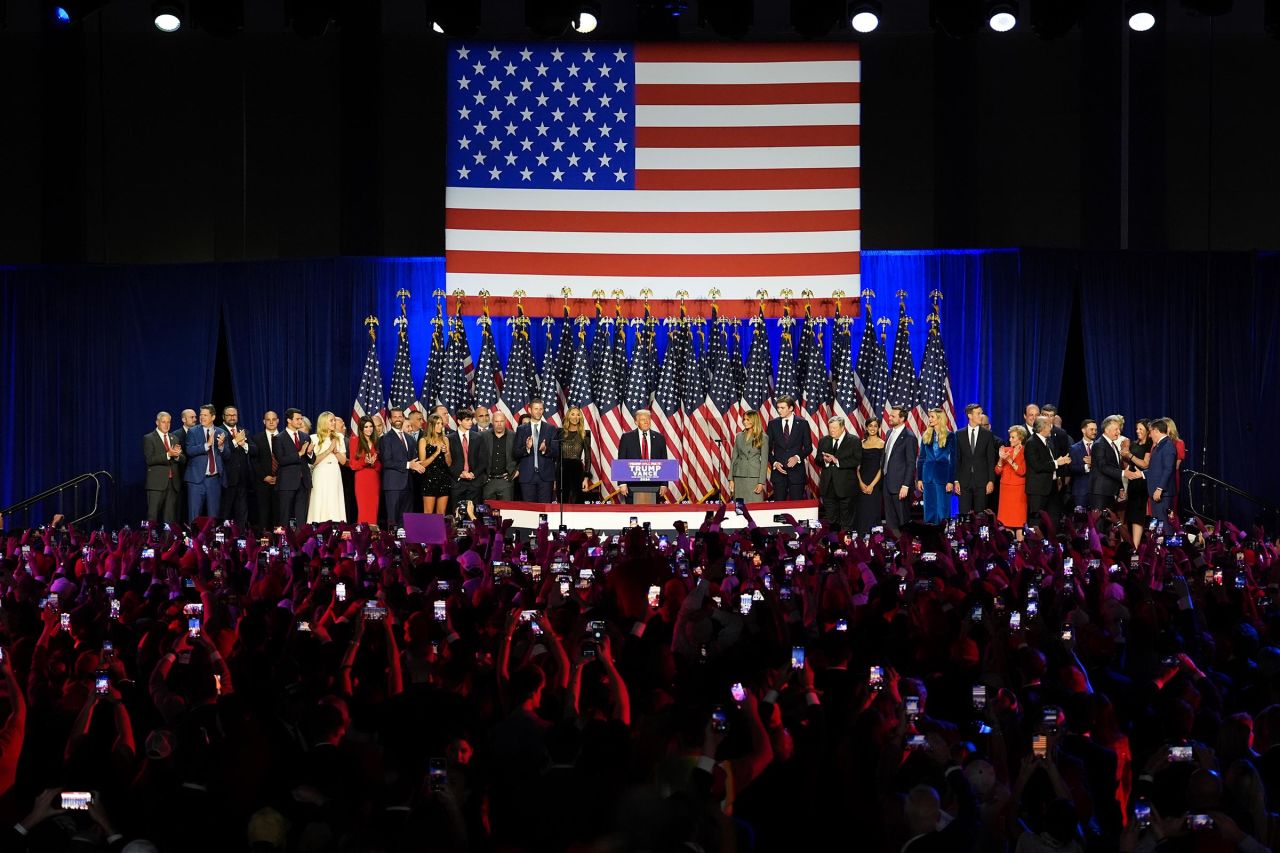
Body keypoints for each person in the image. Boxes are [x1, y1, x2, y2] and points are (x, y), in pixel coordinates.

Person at [377, 408, 423, 528]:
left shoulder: (410, 439)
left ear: (403, 418)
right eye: (395, 417)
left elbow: (414, 459)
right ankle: (392, 544)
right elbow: (387, 462)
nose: (398, 419)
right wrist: (408, 465)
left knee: (406, 521)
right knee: (393, 521)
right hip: (393, 485)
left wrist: (416, 466)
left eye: (400, 416)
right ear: (390, 419)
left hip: (408, 485)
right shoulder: (385, 439)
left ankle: (406, 546)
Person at [184, 404, 229, 522]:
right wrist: (206, 445)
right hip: (196, 481)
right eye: (201, 415)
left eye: (205, 415)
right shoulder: (192, 432)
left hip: (214, 480)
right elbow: (189, 451)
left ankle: (211, 540)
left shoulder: (221, 432)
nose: (202, 417)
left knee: (213, 516)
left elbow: (227, 455)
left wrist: (221, 447)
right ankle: (194, 539)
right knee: (194, 516)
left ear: (213, 417)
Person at [272, 408, 315, 525]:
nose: (300, 421)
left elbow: (312, 459)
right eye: (297, 419)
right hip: (287, 482)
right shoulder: (278, 438)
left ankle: (300, 541)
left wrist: (310, 452)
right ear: (289, 420)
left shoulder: (305, 436)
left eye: (301, 419)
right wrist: (300, 453)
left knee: (301, 516)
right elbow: (281, 460)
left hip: (303, 482)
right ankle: (284, 541)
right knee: (284, 516)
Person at [1024, 415, 1070, 522]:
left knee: (1053, 519)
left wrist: (1058, 473)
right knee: (1037, 520)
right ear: (1042, 428)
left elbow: (1050, 460)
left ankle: (1051, 539)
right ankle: (1034, 539)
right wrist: (1057, 463)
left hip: (1052, 486)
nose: (1051, 428)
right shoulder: (1031, 443)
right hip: (1038, 489)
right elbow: (1037, 466)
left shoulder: (1048, 441)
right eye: (1049, 426)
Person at [616, 409, 668, 504]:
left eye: (648, 419)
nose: (646, 421)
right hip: (632, 485)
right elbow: (621, 460)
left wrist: (664, 484)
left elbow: (664, 461)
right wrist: (622, 483)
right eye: (643, 419)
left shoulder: (660, 438)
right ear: (636, 422)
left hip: (654, 485)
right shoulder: (627, 438)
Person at [881, 405, 918, 535]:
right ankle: (893, 546)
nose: (889, 417)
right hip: (887, 481)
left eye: (893, 416)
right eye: (890, 415)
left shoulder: (909, 436)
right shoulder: (889, 432)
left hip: (900, 485)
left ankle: (905, 548)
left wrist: (906, 485)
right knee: (890, 520)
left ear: (902, 418)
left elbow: (911, 463)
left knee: (902, 519)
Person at [954, 403, 997, 516]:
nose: (981, 416)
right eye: (978, 413)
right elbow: (956, 459)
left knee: (981, 516)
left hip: (982, 481)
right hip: (964, 481)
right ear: (970, 415)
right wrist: (956, 480)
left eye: (981, 413)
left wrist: (991, 481)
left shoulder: (987, 435)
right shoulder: (959, 434)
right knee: (963, 514)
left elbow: (991, 459)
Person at [766, 396, 812, 501]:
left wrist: (797, 457)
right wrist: (775, 463)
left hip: (796, 473)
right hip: (778, 473)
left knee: (796, 507)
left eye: (782, 408)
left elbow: (808, 448)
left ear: (791, 408)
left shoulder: (802, 423)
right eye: (778, 407)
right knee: (779, 507)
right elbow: (767, 449)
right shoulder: (773, 424)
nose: (779, 410)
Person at [817, 416, 859, 528]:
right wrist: (825, 461)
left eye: (834, 428)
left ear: (842, 428)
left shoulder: (854, 441)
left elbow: (857, 460)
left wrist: (837, 461)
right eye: (830, 428)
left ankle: (846, 543)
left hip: (845, 487)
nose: (831, 430)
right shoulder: (824, 441)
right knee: (831, 520)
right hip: (828, 487)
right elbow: (817, 460)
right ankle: (833, 542)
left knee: (846, 521)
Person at [916, 407, 956, 525]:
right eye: (929, 417)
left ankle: (943, 536)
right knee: (929, 508)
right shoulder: (926, 435)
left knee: (942, 509)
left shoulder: (950, 436)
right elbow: (921, 458)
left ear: (940, 419)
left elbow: (953, 460)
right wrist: (919, 478)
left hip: (943, 477)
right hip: (927, 477)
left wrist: (950, 481)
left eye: (932, 417)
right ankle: (930, 535)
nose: (930, 419)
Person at [514, 399, 558, 503]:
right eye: (536, 409)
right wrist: (527, 448)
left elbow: (556, 452)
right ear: (529, 410)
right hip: (527, 477)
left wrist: (545, 450)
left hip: (546, 477)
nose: (538, 411)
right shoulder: (521, 429)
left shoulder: (550, 428)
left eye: (541, 409)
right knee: (529, 511)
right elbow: (515, 452)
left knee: (544, 512)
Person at [306, 412, 347, 524]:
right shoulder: (313, 438)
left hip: (334, 472)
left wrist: (336, 451)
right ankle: (317, 526)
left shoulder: (339, 437)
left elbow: (343, 461)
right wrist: (329, 450)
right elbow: (313, 462)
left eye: (334, 420)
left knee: (334, 500)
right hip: (320, 473)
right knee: (320, 500)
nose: (334, 422)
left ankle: (336, 526)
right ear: (323, 422)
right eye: (331, 420)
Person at [219, 406, 256, 528]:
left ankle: (241, 540)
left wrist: (243, 444)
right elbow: (221, 452)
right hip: (226, 480)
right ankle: (223, 541)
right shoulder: (219, 431)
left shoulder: (243, 431)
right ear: (224, 417)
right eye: (229, 415)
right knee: (225, 511)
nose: (232, 417)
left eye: (234, 415)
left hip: (242, 478)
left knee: (242, 511)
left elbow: (255, 450)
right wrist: (235, 442)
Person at [143, 411, 183, 524]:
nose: (166, 425)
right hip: (156, 484)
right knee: (152, 517)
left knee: (169, 519)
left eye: (168, 422)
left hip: (172, 484)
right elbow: (150, 460)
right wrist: (168, 455)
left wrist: (177, 456)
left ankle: (168, 542)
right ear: (157, 423)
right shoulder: (149, 438)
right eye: (163, 422)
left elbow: (183, 458)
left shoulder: (174, 438)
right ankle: (150, 541)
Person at [1122, 419, 1152, 546]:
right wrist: (1124, 453)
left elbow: (1145, 464)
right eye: (1136, 428)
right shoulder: (1134, 444)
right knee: (1129, 515)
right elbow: (1127, 464)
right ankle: (1126, 546)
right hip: (1132, 482)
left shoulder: (1149, 445)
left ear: (1147, 430)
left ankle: (1135, 546)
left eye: (1140, 429)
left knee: (1138, 516)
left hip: (1142, 483)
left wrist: (1130, 456)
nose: (1137, 431)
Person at [729, 410, 769, 504]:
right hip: (739, 476)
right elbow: (734, 458)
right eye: (744, 419)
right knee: (739, 508)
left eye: (748, 419)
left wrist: (761, 482)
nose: (745, 422)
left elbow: (764, 461)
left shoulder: (763, 437)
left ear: (754, 420)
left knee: (754, 507)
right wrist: (731, 478)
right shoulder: (739, 436)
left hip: (754, 477)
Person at [1088, 415, 1126, 511]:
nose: (1119, 432)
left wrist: (1120, 487)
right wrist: (1123, 473)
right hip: (1101, 492)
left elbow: (1116, 466)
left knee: (1108, 522)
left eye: (1119, 429)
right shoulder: (1099, 444)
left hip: (1110, 491)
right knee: (1100, 522)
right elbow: (1103, 467)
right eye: (1116, 429)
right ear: (1106, 430)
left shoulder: (1112, 445)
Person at [250, 411, 281, 529]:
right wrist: (264, 477)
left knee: (279, 515)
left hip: (280, 483)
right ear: (264, 422)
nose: (271, 422)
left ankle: (279, 542)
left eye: (274, 419)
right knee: (263, 515)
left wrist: (279, 477)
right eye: (268, 419)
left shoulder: (284, 437)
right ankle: (264, 542)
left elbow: (286, 460)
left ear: (278, 420)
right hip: (262, 483)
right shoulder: (256, 438)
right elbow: (254, 461)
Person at [348, 415, 381, 526]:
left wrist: (374, 463)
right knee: (363, 507)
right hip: (362, 477)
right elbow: (352, 465)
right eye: (366, 427)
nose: (369, 429)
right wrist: (365, 462)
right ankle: (362, 535)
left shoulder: (377, 441)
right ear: (361, 428)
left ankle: (373, 536)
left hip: (374, 477)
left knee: (373, 507)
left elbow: (381, 465)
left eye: (371, 426)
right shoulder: (355, 441)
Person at [479, 411, 519, 502]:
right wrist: (483, 476)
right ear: (492, 422)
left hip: (506, 482)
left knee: (506, 513)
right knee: (487, 512)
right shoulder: (483, 436)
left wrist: (517, 471)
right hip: (488, 481)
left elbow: (521, 456)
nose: (499, 424)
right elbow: (477, 457)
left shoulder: (514, 436)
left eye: (501, 421)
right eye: (496, 421)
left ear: (505, 421)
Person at [996, 425, 1029, 532]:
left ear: (1021, 438)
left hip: (1018, 491)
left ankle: (1020, 547)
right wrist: (1001, 459)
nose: (1010, 439)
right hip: (1005, 490)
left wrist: (1009, 460)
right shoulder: (1006, 450)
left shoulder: (1025, 452)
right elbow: (997, 471)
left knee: (1019, 523)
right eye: (1010, 437)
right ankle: (1008, 546)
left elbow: (1022, 471)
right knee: (1006, 523)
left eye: (1013, 437)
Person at [419, 413, 454, 514]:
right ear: (431, 425)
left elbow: (449, 463)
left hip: (443, 479)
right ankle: (427, 530)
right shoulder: (424, 441)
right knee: (428, 513)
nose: (440, 426)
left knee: (441, 513)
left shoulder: (445, 439)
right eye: (437, 423)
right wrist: (436, 453)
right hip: (429, 480)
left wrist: (446, 452)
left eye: (441, 423)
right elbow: (422, 464)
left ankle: (439, 530)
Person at [449, 409, 484, 510]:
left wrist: (473, 474)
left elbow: (483, 460)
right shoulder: (449, 438)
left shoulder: (478, 437)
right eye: (467, 420)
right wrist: (459, 474)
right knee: (457, 515)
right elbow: (447, 462)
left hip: (474, 483)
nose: (471, 422)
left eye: (471, 419)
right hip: (457, 482)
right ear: (459, 421)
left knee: (473, 516)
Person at [557, 406, 592, 504]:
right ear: (568, 416)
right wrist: (555, 479)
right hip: (562, 471)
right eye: (573, 414)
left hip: (577, 471)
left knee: (577, 501)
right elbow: (556, 457)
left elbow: (588, 457)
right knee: (562, 502)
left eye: (578, 415)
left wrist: (586, 478)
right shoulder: (560, 433)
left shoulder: (585, 434)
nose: (575, 417)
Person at [855, 417, 885, 532]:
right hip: (862, 481)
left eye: (875, 426)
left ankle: (875, 539)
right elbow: (857, 466)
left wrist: (872, 485)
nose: (873, 428)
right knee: (862, 511)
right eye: (870, 426)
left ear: (878, 428)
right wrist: (860, 482)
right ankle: (861, 538)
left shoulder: (882, 443)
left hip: (875, 483)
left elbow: (882, 468)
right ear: (866, 427)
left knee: (873, 510)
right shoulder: (861, 443)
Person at [1147, 418, 1178, 525]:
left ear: (1156, 430)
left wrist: (1159, 489)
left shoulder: (1167, 445)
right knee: (1158, 526)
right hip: (1157, 493)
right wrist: (1141, 474)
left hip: (1162, 494)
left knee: (1164, 525)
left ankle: (1166, 542)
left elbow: (1168, 468)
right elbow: (1156, 469)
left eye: (1150, 432)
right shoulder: (1159, 446)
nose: (1149, 435)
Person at [1065, 419, 1097, 511]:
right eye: (1091, 429)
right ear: (1083, 430)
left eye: (1095, 430)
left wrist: (1094, 463)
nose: (1094, 432)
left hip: (1097, 491)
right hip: (1080, 492)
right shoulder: (1074, 448)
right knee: (1081, 522)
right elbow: (1071, 468)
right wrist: (1087, 466)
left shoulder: (1099, 447)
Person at [1165, 418, 1187, 515]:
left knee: (1171, 505)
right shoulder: (1158, 443)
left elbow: (1176, 466)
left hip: (1172, 478)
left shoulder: (1179, 443)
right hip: (1159, 478)